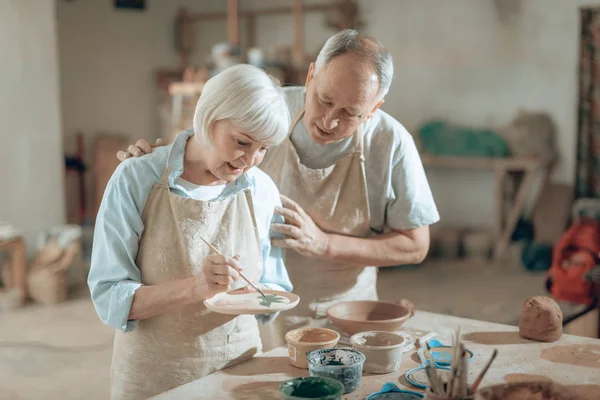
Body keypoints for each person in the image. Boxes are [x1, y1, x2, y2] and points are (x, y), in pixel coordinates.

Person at [117, 30, 440, 350]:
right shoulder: (266, 107)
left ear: (373, 107)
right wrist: (154, 161)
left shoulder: (391, 142)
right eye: (323, 100)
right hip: (249, 301)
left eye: (350, 113)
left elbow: (414, 246)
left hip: (346, 309)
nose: (329, 121)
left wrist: (325, 244)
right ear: (311, 75)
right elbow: (200, 148)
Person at [89, 64, 292, 399]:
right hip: (154, 377)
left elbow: (273, 287)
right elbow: (110, 297)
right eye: (242, 141)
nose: (251, 160)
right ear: (209, 118)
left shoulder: (261, 188)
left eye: (264, 148)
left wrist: (259, 295)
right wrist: (195, 288)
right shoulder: (136, 178)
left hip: (239, 369)